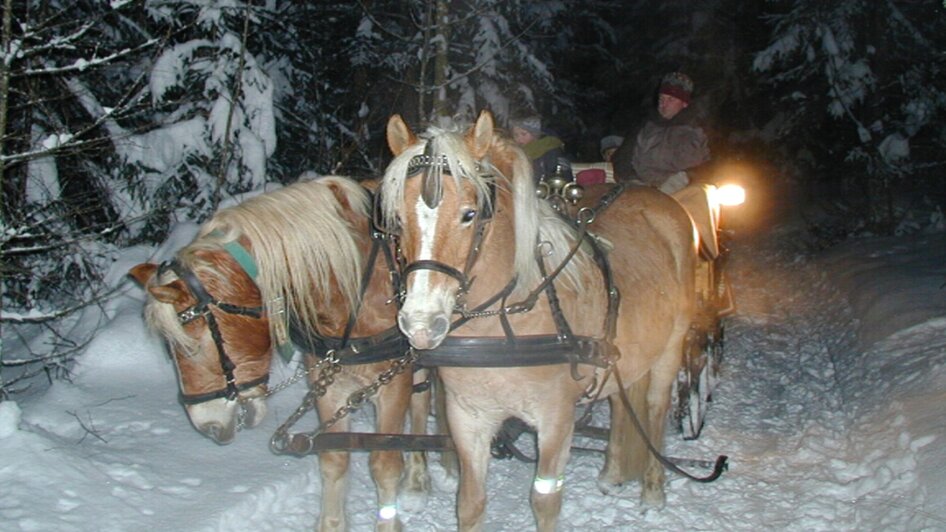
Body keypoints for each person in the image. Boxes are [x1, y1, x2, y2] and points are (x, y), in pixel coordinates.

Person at [611, 71, 709, 194]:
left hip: (681, 191)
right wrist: (633, 180)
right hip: (641, 188)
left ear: (684, 103)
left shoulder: (698, 131)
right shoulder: (644, 126)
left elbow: (708, 166)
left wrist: (683, 179)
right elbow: (622, 158)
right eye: (661, 98)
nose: (663, 104)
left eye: (670, 100)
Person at [510, 115, 571, 183]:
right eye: (516, 135)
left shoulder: (550, 150)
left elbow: (562, 176)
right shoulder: (514, 152)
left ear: (534, 134)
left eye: (523, 134)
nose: (519, 139)